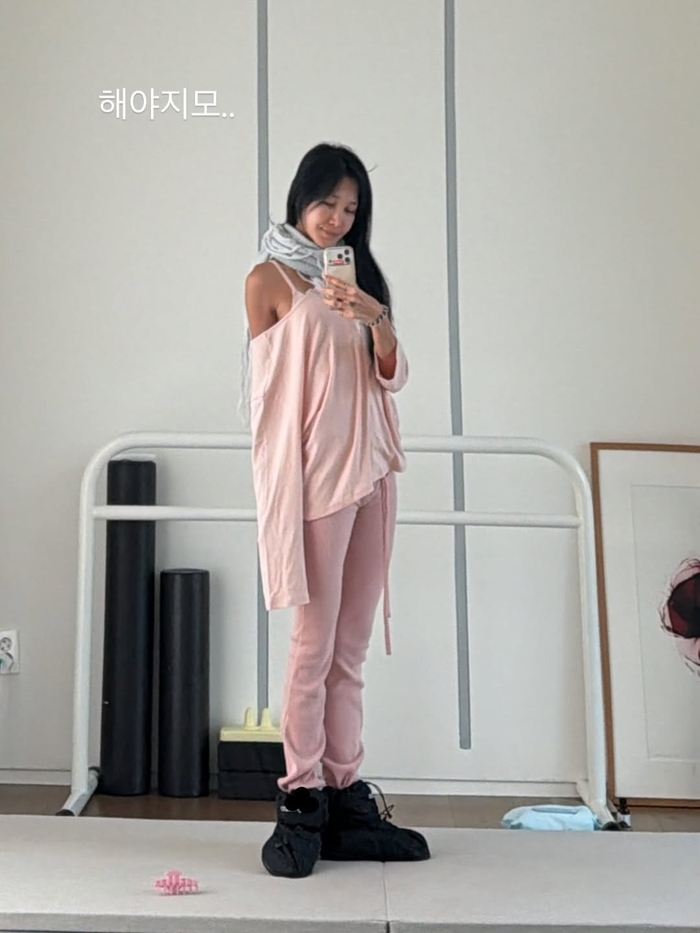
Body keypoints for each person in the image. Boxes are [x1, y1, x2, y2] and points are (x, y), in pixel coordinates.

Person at [242, 142, 430, 878]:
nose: (337, 219)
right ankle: (302, 796)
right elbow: (269, 391)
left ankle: (347, 795)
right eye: (327, 203)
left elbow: (392, 375)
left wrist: (375, 316)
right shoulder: (270, 279)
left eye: (351, 209)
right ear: (300, 198)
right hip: (319, 478)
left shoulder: (358, 278)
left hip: (374, 471)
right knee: (312, 646)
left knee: (350, 648)